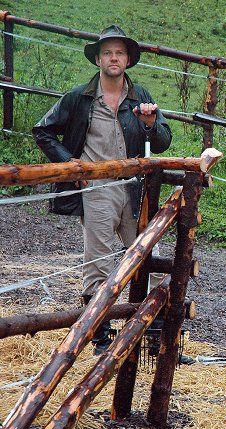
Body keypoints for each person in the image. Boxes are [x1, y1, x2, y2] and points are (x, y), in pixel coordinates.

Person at [32, 25, 183, 359]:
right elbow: (42, 131)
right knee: (99, 263)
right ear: (98, 59)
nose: (114, 58)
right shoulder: (79, 97)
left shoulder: (140, 95)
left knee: (149, 258)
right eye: (108, 53)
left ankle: (156, 337)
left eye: (120, 53)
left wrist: (148, 124)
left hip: (134, 190)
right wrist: (70, 164)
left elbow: (162, 142)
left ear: (128, 59)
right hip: (96, 189)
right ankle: (101, 338)